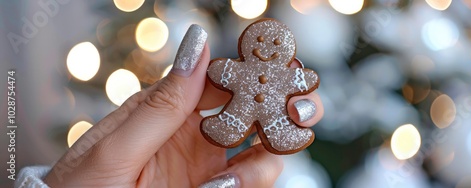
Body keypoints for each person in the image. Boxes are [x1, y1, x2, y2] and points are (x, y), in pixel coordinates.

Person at [15, 24, 324, 188]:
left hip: (270, 109)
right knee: (232, 120)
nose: (265, 47)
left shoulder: (285, 73)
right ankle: (226, 127)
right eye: (259, 41)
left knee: (278, 124)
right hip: (239, 107)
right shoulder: (239, 69)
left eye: (272, 44)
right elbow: (220, 72)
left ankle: (284, 133)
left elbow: (305, 78)